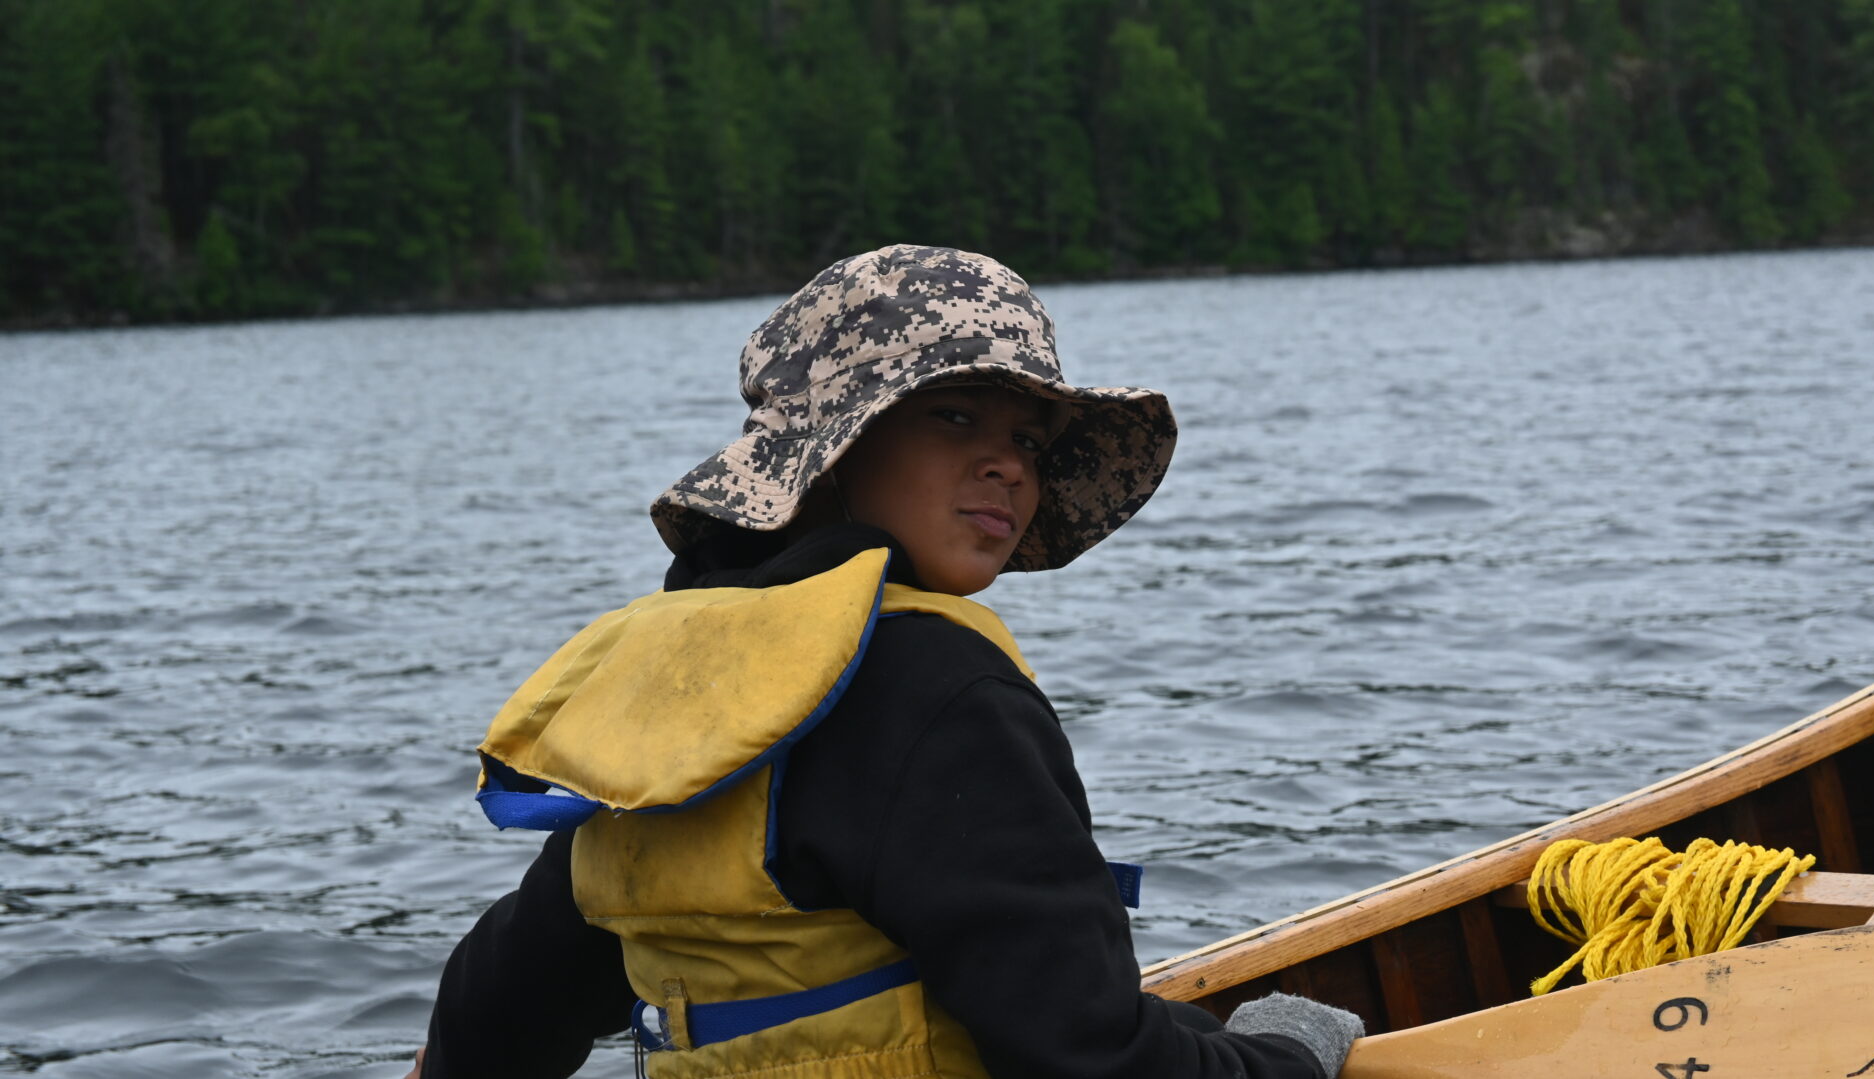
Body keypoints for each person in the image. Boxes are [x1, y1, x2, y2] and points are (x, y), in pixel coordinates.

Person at [407, 245, 1363, 1079]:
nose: (1012, 466)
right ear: (834, 451)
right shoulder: (941, 691)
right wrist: (1283, 1051)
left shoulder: (670, 690)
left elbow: (496, 1011)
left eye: (1030, 438)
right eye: (954, 416)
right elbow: (1093, 1058)